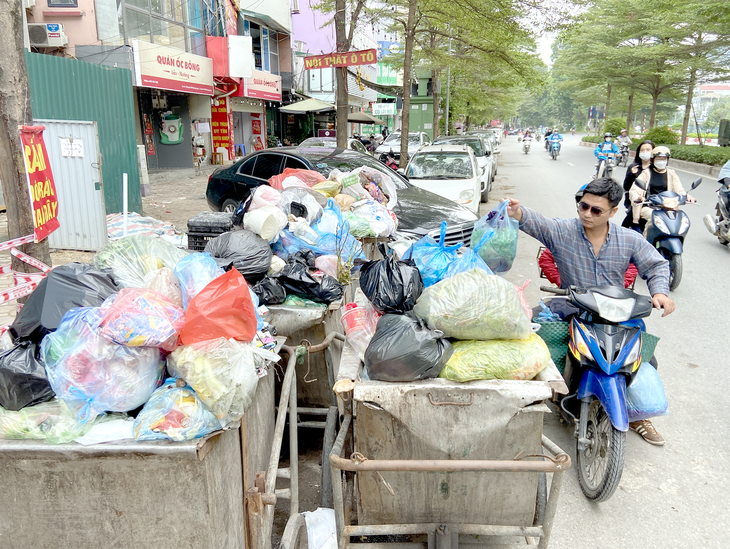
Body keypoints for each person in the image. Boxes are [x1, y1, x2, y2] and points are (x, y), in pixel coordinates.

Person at [504, 178, 674, 445]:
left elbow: (655, 265)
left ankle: (637, 415)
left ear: (613, 212)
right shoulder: (563, 231)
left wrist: (660, 292)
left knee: (644, 358)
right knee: (526, 340)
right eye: (583, 206)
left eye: (596, 210)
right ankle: (526, 404)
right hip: (571, 308)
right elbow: (537, 222)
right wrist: (517, 212)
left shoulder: (629, 238)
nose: (587, 214)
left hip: (615, 312)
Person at [629, 146, 696, 232]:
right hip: (649, 206)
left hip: (668, 207)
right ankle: (646, 243)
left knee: (681, 221)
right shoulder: (646, 173)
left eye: (664, 159)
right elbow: (634, 190)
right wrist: (638, 197)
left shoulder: (671, 174)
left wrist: (688, 197)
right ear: (653, 160)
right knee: (654, 219)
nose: (661, 161)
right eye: (659, 159)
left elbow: (679, 190)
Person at [621, 140, 655, 228]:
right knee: (630, 220)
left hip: (653, 202)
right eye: (642, 150)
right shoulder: (633, 167)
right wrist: (632, 175)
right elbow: (626, 186)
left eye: (648, 150)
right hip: (636, 200)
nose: (645, 152)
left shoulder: (657, 169)